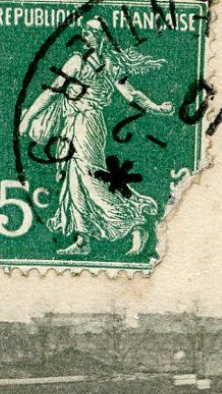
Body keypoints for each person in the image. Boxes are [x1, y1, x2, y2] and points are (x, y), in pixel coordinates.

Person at [19, 19, 174, 257]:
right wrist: (29, 118)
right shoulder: (86, 62)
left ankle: (135, 226)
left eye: (90, 33)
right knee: (75, 180)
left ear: (101, 36)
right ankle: (83, 240)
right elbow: (53, 92)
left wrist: (157, 108)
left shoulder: (97, 64)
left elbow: (131, 94)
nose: (85, 36)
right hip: (77, 124)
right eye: (85, 33)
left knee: (90, 178)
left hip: (86, 125)